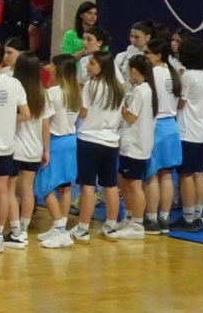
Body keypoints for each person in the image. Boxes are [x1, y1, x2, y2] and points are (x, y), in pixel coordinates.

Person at [71, 50, 125, 243]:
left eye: (92, 63)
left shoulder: (91, 86)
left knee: (87, 185)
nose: (87, 65)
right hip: (111, 142)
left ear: (103, 66)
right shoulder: (119, 89)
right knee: (110, 185)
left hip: (89, 140)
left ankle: (83, 229)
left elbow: (82, 113)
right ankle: (110, 227)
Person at [0, 39, 29, 253]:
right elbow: (26, 114)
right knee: (2, 191)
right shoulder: (14, 83)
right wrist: (9, 118)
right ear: (2, 58)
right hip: (7, 145)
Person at [36, 54, 81, 249]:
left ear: (60, 69)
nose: (50, 69)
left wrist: (45, 148)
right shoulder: (76, 92)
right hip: (70, 141)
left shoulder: (52, 93)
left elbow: (45, 123)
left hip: (55, 142)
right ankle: (59, 226)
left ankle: (60, 230)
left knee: (44, 187)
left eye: (53, 66)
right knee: (64, 187)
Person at [7, 52, 53, 245]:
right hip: (34, 148)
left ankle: (15, 230)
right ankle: (24, 230)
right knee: (27, 189)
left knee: (10, 190)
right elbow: (45, 124)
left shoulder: (15, 89)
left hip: (15, 147)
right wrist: (46, 149)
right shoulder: (43, 93)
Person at [110, 55, 156, 240]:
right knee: (127, 183)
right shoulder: (148, 89)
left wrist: (121, 106)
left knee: (135, 185)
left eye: (129, 69)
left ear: (134, 70)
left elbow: (130, 117)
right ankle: (129, 218)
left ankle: (137, 224)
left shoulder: (140, 91)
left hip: (135, 145)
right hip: (138, 144)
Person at [142, 39, 182, 234]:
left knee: (151, 176)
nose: (144, 56)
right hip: (171, 127)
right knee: (166, 176)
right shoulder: (173, 72)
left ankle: (151, 220)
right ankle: (164, 219)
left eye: (147, 53)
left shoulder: (152, 73)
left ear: (157, 55)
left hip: (156, 126)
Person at [170, 38, 203, 232]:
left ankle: (188, 219)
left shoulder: (189, 76)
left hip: (189, 131)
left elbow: (180, 103)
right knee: (198, 174)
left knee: (185, 175)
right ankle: (197, 216)